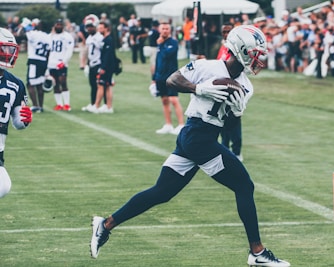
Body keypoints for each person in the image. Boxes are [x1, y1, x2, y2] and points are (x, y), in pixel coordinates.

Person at [90, 25, 290, 267]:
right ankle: (257, 252)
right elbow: (172, 79)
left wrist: (236, 112)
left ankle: (106, 224)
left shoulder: (246, 86)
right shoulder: (207, 66)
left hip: (201, 137)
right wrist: (199, 88)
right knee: (244, 186)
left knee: (162, 192)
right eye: (254, 52)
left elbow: (227, 121)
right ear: (240, 49)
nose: (258, 59)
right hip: (197, 136)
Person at [0, 28, 32, 198]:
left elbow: (18, 123)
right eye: (3, 49)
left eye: (9, 49)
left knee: (4, 185)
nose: (7, 54)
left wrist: (25, 119)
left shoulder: (16, 84)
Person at [217, 22, 243, 161]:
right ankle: (224, 150)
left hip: (234, 89)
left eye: (228, 31)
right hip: (222, 89)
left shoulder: (237, 48)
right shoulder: (223, 47)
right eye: (224, 31)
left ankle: (237, 151)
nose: (226, 34)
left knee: (234, 121)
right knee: (222, 123)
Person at [153, 22, 185, 135]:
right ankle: (168, 124)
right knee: (164, 100)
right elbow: (158, 61)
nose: (165, 30)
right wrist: (154, 77)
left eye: (167, 28)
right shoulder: (159, 44)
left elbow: (167, 55)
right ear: (159, 30)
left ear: (170, 30)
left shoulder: (173, 43)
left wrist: (160, 45)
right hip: (160, 77)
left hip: (171, 77)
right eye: (163, 29)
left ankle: (181, 125)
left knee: (174, 100)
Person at [87, 21, 115, 114]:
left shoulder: (108, 40)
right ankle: (108, 106)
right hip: (107, 66)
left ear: (106, 28)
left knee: (101, 85)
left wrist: (103, 67)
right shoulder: (105, 39)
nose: (99, 30)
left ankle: (96, 105)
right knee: (107, 86)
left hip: (106, 67)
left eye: (101, 28)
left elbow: (108, 55)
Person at [25, 18, 51, 113]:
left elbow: (20, 34)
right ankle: (41, 106)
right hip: (43, 61)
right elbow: (48, 52)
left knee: (30, 84)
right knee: (39, 84)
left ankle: (35, 106)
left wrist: (24, 26)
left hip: (34, 60)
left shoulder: (33, 33)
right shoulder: (48, 36)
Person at [48, 18, 75, 111]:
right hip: (51, 63)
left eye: (60, 24)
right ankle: (59, 104)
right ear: (54, 25)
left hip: (61, 63)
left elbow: (69, 50)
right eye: (57, 24)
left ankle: (67, 104)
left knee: (63, 82)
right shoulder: (50, 36)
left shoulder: (67, 36)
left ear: (63, 26)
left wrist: (64, 61)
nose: (58, 26)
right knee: (55, 84)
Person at [81, 14, 106, 112]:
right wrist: (87, 64)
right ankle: (93, 103)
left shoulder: (99, 37)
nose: (89, 29)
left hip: (98, 63)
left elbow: (102, 51)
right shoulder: (89, 38)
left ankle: (99, 104)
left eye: (91, 26)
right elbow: (88, 53)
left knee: (99, 85)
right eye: (88, 27)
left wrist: (102, 65)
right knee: (92, 85)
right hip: (92, 63)